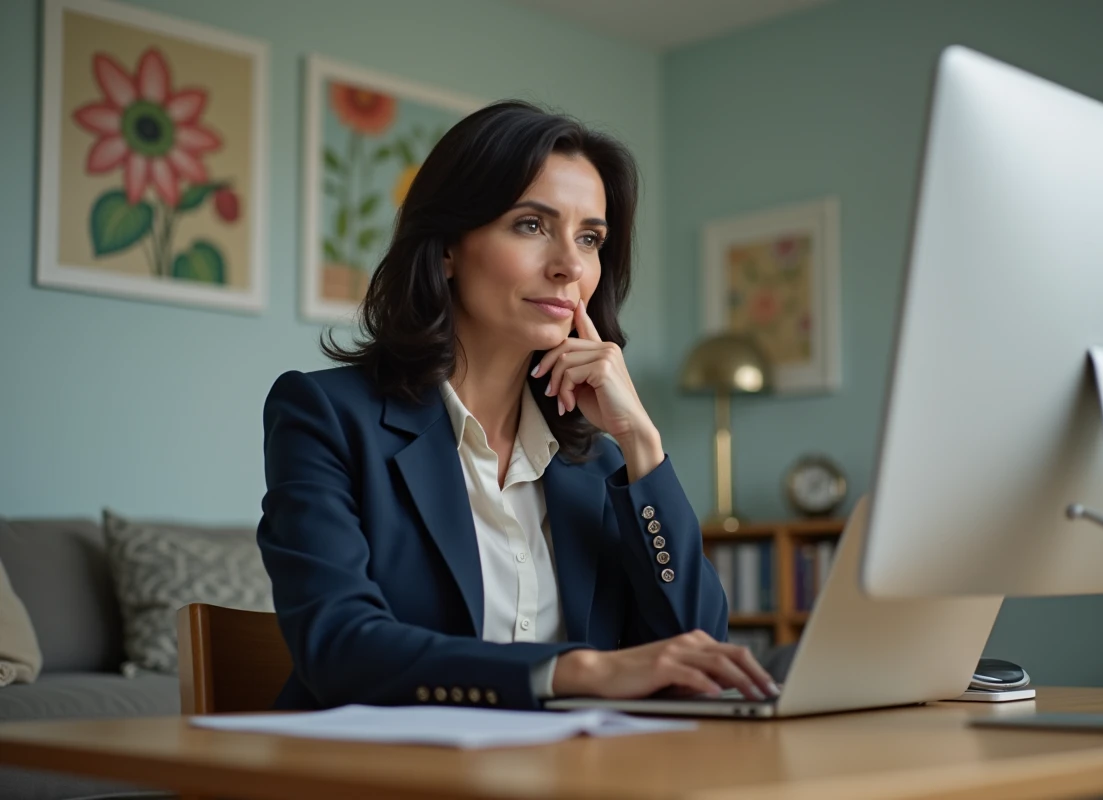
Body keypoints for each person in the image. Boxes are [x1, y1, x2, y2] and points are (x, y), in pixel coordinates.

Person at [258, 100, 779, 711]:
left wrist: (642, 444)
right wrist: (574, 670)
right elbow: (339, 648)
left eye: (590, 238)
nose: (569, 266)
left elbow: (698, 653)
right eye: (531, 225)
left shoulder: (601, 468)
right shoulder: (323, 415)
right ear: (448, 247)